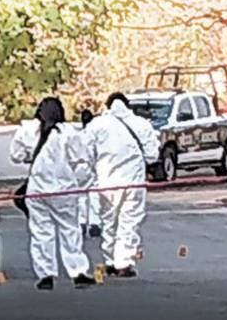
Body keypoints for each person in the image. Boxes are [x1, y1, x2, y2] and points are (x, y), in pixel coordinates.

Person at [9, 97, 96, 290]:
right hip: (64, 191)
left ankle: (45, 274)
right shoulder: (69, 133)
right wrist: (78, 183)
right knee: (70, 230)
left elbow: (16, 155)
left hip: (37, 191)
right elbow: (84, 160)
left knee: (41, 232)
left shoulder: (27, 131)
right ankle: (78, 271)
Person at [84, 92, 160, 278]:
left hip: (106, 181)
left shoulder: (97, 125)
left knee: (109, 220)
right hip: (133, 182)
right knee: (129, 221)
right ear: (128, 105)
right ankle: (124, 262)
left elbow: (85, 153)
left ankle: (110, 260)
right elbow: (152, 156)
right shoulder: (142, 124)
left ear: (108, 106)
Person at [77, 110, 102, 238]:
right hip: (91, 166)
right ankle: (94, 223)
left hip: (78, 166)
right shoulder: (94, 135)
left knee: (81, 195)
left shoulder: (78, 135)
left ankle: (81, 222)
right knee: (94, 194)